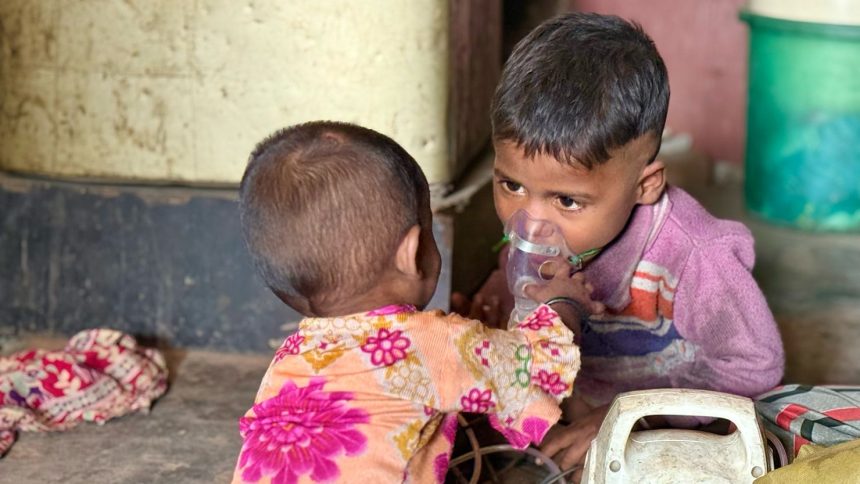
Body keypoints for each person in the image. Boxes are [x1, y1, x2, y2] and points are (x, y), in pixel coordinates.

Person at [453, 12, 785, 473]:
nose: (529, 220)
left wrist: (632, 417)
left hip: (666, 438)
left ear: (645, 185)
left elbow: (755, 365)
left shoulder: (694, 257)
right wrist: (491, 306)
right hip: (572, 419)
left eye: (567, 199)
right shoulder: (548, 230)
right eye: (510, 186)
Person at [232, 121, 604, 483]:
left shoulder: (289, 362)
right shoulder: (433, 343)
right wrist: (562, 301)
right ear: (414, 252)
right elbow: (540, 363)